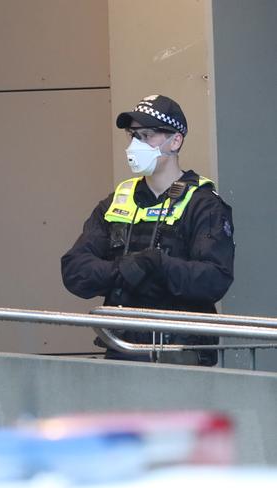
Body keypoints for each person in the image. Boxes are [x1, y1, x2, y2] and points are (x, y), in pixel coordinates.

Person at [61, 94, 235, 366]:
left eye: (147, 135)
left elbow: (215, 279)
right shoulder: (118, 199)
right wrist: (124, 270)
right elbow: (75, 270)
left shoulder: (203, 203)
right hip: (122, 351)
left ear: (175, 141)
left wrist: (159, 266)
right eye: (132, 136)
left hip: (181, 356)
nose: (134, 145)